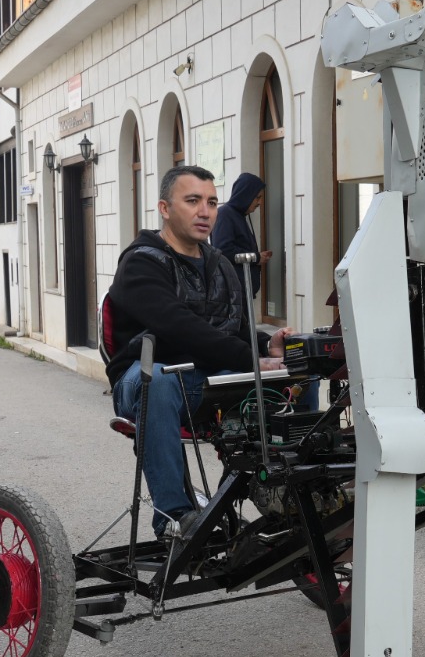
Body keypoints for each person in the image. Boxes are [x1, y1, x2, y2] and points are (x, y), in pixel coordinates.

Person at [106, 164, 290, 538]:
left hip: (206, 379)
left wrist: (265, 346)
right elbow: (181, 330)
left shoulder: (220, 264)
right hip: (144, 380)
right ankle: (175, 516)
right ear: (165, 208)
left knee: (292, 376)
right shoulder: (141, 262)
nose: (205, 211)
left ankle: (289, 496)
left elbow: (230, 328)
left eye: (211, 202)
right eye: (192, 201)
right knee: (159, 378)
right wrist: (250, 360)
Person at [209, 170, 271, 297]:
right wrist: (256, 257)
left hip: (241, 291)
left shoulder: (239, 215)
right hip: (233, 292)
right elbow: (223, 250)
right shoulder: (225, 214)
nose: (259, 203)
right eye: (257, 197)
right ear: (245, 195)